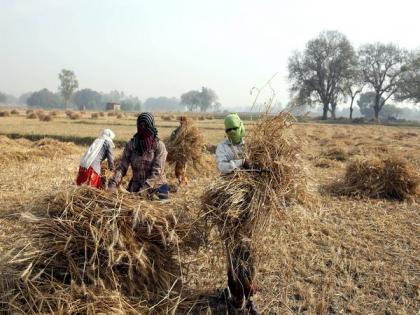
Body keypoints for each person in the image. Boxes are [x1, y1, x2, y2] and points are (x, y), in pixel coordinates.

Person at [215, 113, 258, 315]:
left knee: (249, 252)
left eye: (235, 128)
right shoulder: (222, 147)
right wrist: (241, 164)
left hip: (251, 205)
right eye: (229, 130)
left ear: (241, 126)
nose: (232, 133)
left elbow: (261, 166)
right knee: (232, 252)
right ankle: (236, 296)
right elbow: (222, 168)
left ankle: (250, 296)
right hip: (230, 207)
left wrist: (253, 165)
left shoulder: (253, 145)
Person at [108, 112, 169, 199]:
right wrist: (113, 182)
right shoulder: (131, 145)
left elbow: (157, 172)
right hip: (136, 186)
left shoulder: (159, 146)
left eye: (145, 125)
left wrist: (144, 190)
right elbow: (122, 167)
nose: (142, 128)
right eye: (140, 125)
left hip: (156, 188)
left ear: (151, 126)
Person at [170, 116, 188, 185]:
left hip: (183, 152)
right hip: (179, 152)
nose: (181, 122)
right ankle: (184, 182)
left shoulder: (187, 130)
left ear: (185, 121)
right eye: (180, 120)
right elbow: (173, 135)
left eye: (182, 120)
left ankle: (181, 182)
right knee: (181, 169)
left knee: (180, 169)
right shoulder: (178, 129)